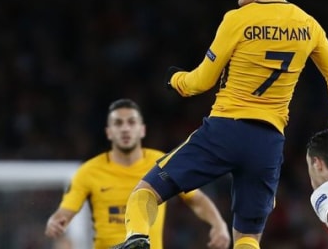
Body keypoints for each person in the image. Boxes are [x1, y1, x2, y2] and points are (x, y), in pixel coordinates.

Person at [112, 0, 328, 249]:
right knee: (248, 237)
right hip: (267, 144)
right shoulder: (309, 26)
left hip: (225, 130)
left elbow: (201, 82)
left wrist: (175, 80)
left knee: (146, 191)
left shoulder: (237, 19)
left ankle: (137, 238)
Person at [45, 98, 230, 249]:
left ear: (142, 130)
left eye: (131, 122)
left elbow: (196, 199)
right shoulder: (89, 171)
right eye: (118, 123)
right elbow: (66, 211)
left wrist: (218, 224)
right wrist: (56, 221)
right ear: (109, 132)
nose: (125, 128)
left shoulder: (161, 164)